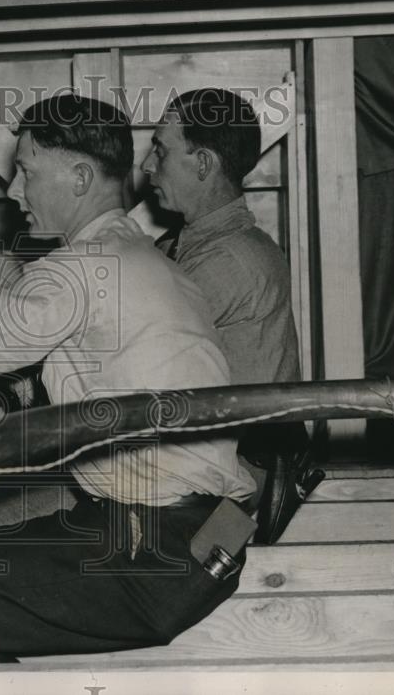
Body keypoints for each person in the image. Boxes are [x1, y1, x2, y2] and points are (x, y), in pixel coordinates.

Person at [0, 94, 256, 663]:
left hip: (148, 552)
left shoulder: (80, 269)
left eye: (25, 171)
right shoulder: (136, 258)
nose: (14, 192)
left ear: (78, 176)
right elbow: (49, 329)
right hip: (186, 534)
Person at [139, 87, 323, 543]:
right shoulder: (183, 247)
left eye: (160, 149)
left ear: (202, 163)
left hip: (235, 492)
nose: (146, 166)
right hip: (207, 471)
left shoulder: (229, 260)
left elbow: (123, 342)